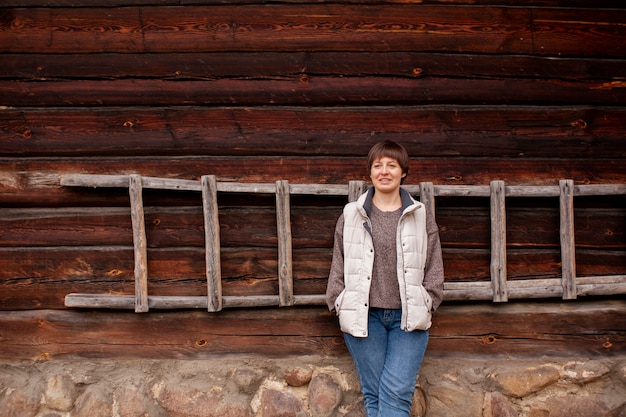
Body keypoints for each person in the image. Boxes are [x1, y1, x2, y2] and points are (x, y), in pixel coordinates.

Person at [326, 140, 444, 417]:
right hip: (365, 318)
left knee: (396, 394)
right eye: (378, 165)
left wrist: (430, 300)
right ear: (370, 172)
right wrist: (338, 301)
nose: (384, 171)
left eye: (392, 165)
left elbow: (434, 264)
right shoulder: (351, 214)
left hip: (409, 318)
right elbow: (339, 262)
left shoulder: (420, 215)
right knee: (374, 394)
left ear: (403, 171)